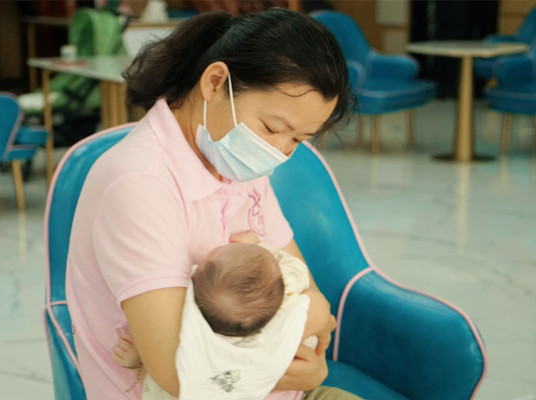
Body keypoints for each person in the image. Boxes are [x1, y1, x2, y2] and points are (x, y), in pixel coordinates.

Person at [66, 7, 359, 400]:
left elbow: (313, 299)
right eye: (272, 127)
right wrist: (302, 367)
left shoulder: (237, 165)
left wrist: (310, 345)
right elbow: (180, 372)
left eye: (297, 140)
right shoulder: (139, 183)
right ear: (215, 82)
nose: (278, 152)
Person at [113, 238, 334, 399]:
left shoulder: (198, 334)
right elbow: (296, 270)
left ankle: (143, 365)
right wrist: (259, 246)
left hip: (294, 390)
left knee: (176, 378)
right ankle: (145, 363)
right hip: (293, 385)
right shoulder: (286, 300)